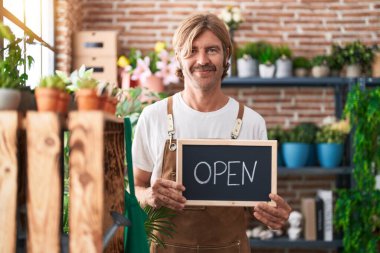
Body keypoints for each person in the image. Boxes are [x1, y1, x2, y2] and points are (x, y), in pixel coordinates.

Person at [132, 13, 292, 252]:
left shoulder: (251, 122)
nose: (202, 59)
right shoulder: (153, 116)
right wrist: (148, 196)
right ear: (178, 57)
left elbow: (258, 203)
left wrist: (274, 214)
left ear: (227, 55)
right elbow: (133, 187)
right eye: (192, 50)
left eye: (212, 50)